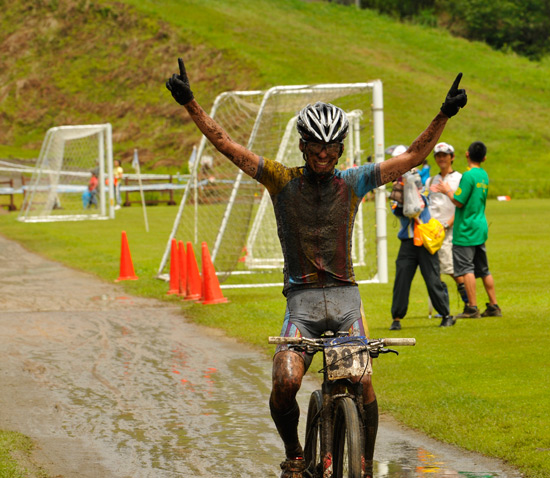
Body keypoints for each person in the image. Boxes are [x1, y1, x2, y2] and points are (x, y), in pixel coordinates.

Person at [166, 58, 467, 478]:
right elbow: (227, 145)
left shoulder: (356, 180)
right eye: (315, 146)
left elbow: (416, 154)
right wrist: (191, 104)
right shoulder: (279, 178)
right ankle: (293, 452)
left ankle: (363, 464)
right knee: (285, 381)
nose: (324, 154)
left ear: (340, 148)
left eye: (331, 147)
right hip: (302, 307)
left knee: (363, 383)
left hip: (346, 302)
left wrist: (445, 113)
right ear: (303, 146)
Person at [434, 141, 501, 319]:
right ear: (484, 158)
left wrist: (447, 190)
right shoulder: (483, 175)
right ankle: (494, 305)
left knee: (466, 269)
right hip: (480, 225)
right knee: (484, 269)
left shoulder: (468, 176)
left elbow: (459, 200)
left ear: (466, 154)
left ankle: (472, 308)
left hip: (465, 228)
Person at [388, 146, 453, 330]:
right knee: (402, 279)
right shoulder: (395, 184)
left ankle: (446, 314)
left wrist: (412, 192)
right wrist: (403, 195)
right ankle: (397, 318)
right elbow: (398, 210)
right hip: (407, 241)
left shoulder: (420, 179)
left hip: (425, 239)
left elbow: (423, 203)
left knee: (432, 278)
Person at [426, 142, 469, 310]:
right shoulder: (432, 180)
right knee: (434, 272)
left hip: (449, 230)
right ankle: (443, 308)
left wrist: (447, 224)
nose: (441, 159)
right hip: (432, 232)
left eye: (445, 155)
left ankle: (468, 304)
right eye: (438, 156)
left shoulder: (459, 179)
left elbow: (460, 204)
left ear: (452, 157)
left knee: (452, 269)